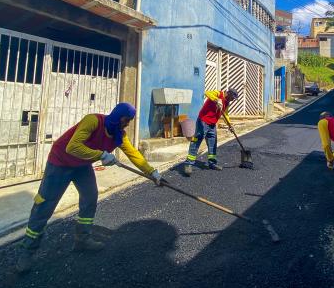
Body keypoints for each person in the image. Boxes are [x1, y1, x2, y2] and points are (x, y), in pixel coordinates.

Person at [16, 103, 162, 273]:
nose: (128, 124)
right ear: (117, 115)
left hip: (82, 166)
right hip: (60, 163)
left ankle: (82, 240)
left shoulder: (118, 135)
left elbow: (133, 154)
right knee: (45, 205)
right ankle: (27, 251)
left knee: (90, 198)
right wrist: (100, 154)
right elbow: (73, 147)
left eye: (130, 121)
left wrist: (152, 173)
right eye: (126, 119)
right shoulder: (93, 121)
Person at [184, 88, 239, 176]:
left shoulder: (227, 102)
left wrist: (230, 125)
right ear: (228, 93)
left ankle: (212, 163)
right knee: (196, 140)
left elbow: (226, 114)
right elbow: (207, 93)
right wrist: (217, 100)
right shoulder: (218, 93)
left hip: (212, 124)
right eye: (232, 98)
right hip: (203, 121)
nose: (232, 100)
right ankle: (188, 164)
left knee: (213, 143)